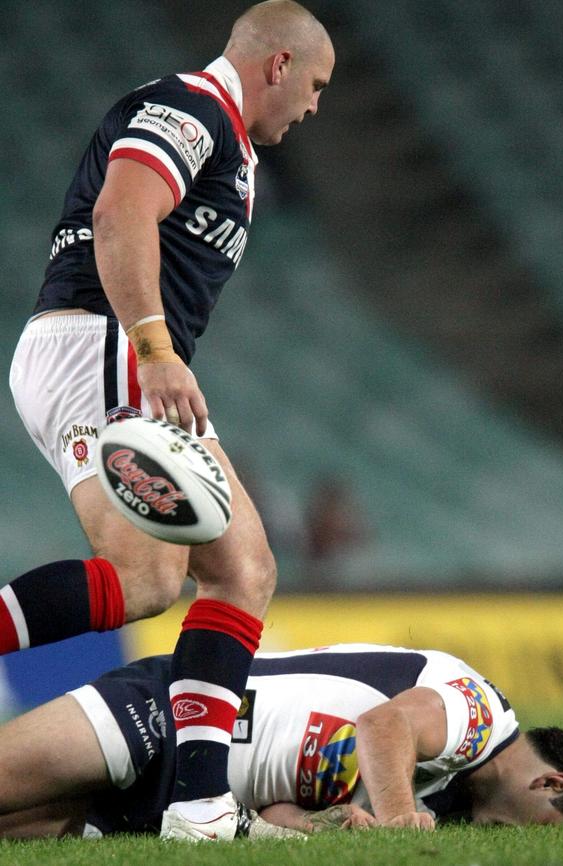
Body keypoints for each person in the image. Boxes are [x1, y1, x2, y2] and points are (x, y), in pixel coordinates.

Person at [5, 0, 335, 844]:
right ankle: (193, 807)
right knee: (160, 579)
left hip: (107, 348)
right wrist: (153, 347)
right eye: (317, 84)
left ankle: (197, 807)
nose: (315, 106)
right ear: (278, 64)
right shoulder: (191, 110)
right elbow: (120, 215)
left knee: (238, 570)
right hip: (108, 343)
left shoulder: (230, 143)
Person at [0, 643, 563, 840]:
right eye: (540, 828)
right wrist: (398, 819)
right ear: (551, 782)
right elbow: (383, 726)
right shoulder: (478, 714)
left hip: (180, 800)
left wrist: (326, 825)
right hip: (172, 714)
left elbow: (276, 807)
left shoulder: (449, 793)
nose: (517, 842)